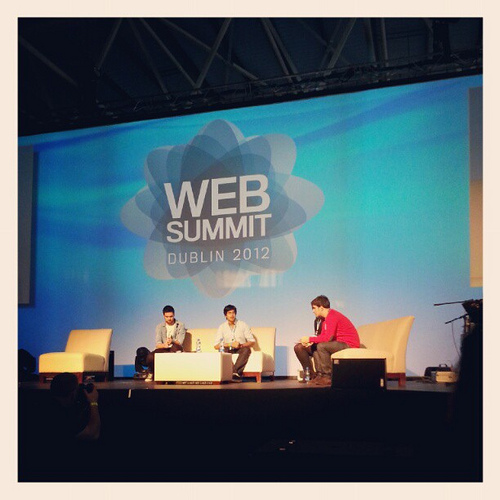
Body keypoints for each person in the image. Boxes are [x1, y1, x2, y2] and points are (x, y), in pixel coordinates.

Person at [299, 295, 360, 386]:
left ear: (321, 308)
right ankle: (319, 375)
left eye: (314, 308)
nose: (313, 311)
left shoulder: (333, 316)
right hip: (340, 343)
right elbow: (323, 336)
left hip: (349, 344)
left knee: (321, 346)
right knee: (316, 346)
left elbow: (328, 338)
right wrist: (311, 341)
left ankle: (327, 376)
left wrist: (309, 338)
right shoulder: (325, 319)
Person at [214, 304, 255, 382]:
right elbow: (216, 346)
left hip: (241, 348)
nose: (232, 315)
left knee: (246, 350)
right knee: (222, 351)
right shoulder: (222, 327)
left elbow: (252, 341)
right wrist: (230, 344)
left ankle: (233, 373)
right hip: (228, 348)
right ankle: (235, 374)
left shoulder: (243, 324)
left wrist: (241, 345)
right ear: (225, 315)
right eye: (229, 313)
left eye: (233, 313)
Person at [145, 305, 186, 381]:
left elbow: (180, 342)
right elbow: (158, 344)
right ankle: (151, 372)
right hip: (164, 347)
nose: (169, 319)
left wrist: (172, 341)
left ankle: (173, 375)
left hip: (176, 347)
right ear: (163, 316)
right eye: (167, 317)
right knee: (150, 356)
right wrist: (164, 345)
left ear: (174, 315)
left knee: (175, 349)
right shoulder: (159, 326)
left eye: (171, 316)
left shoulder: (180, 325)